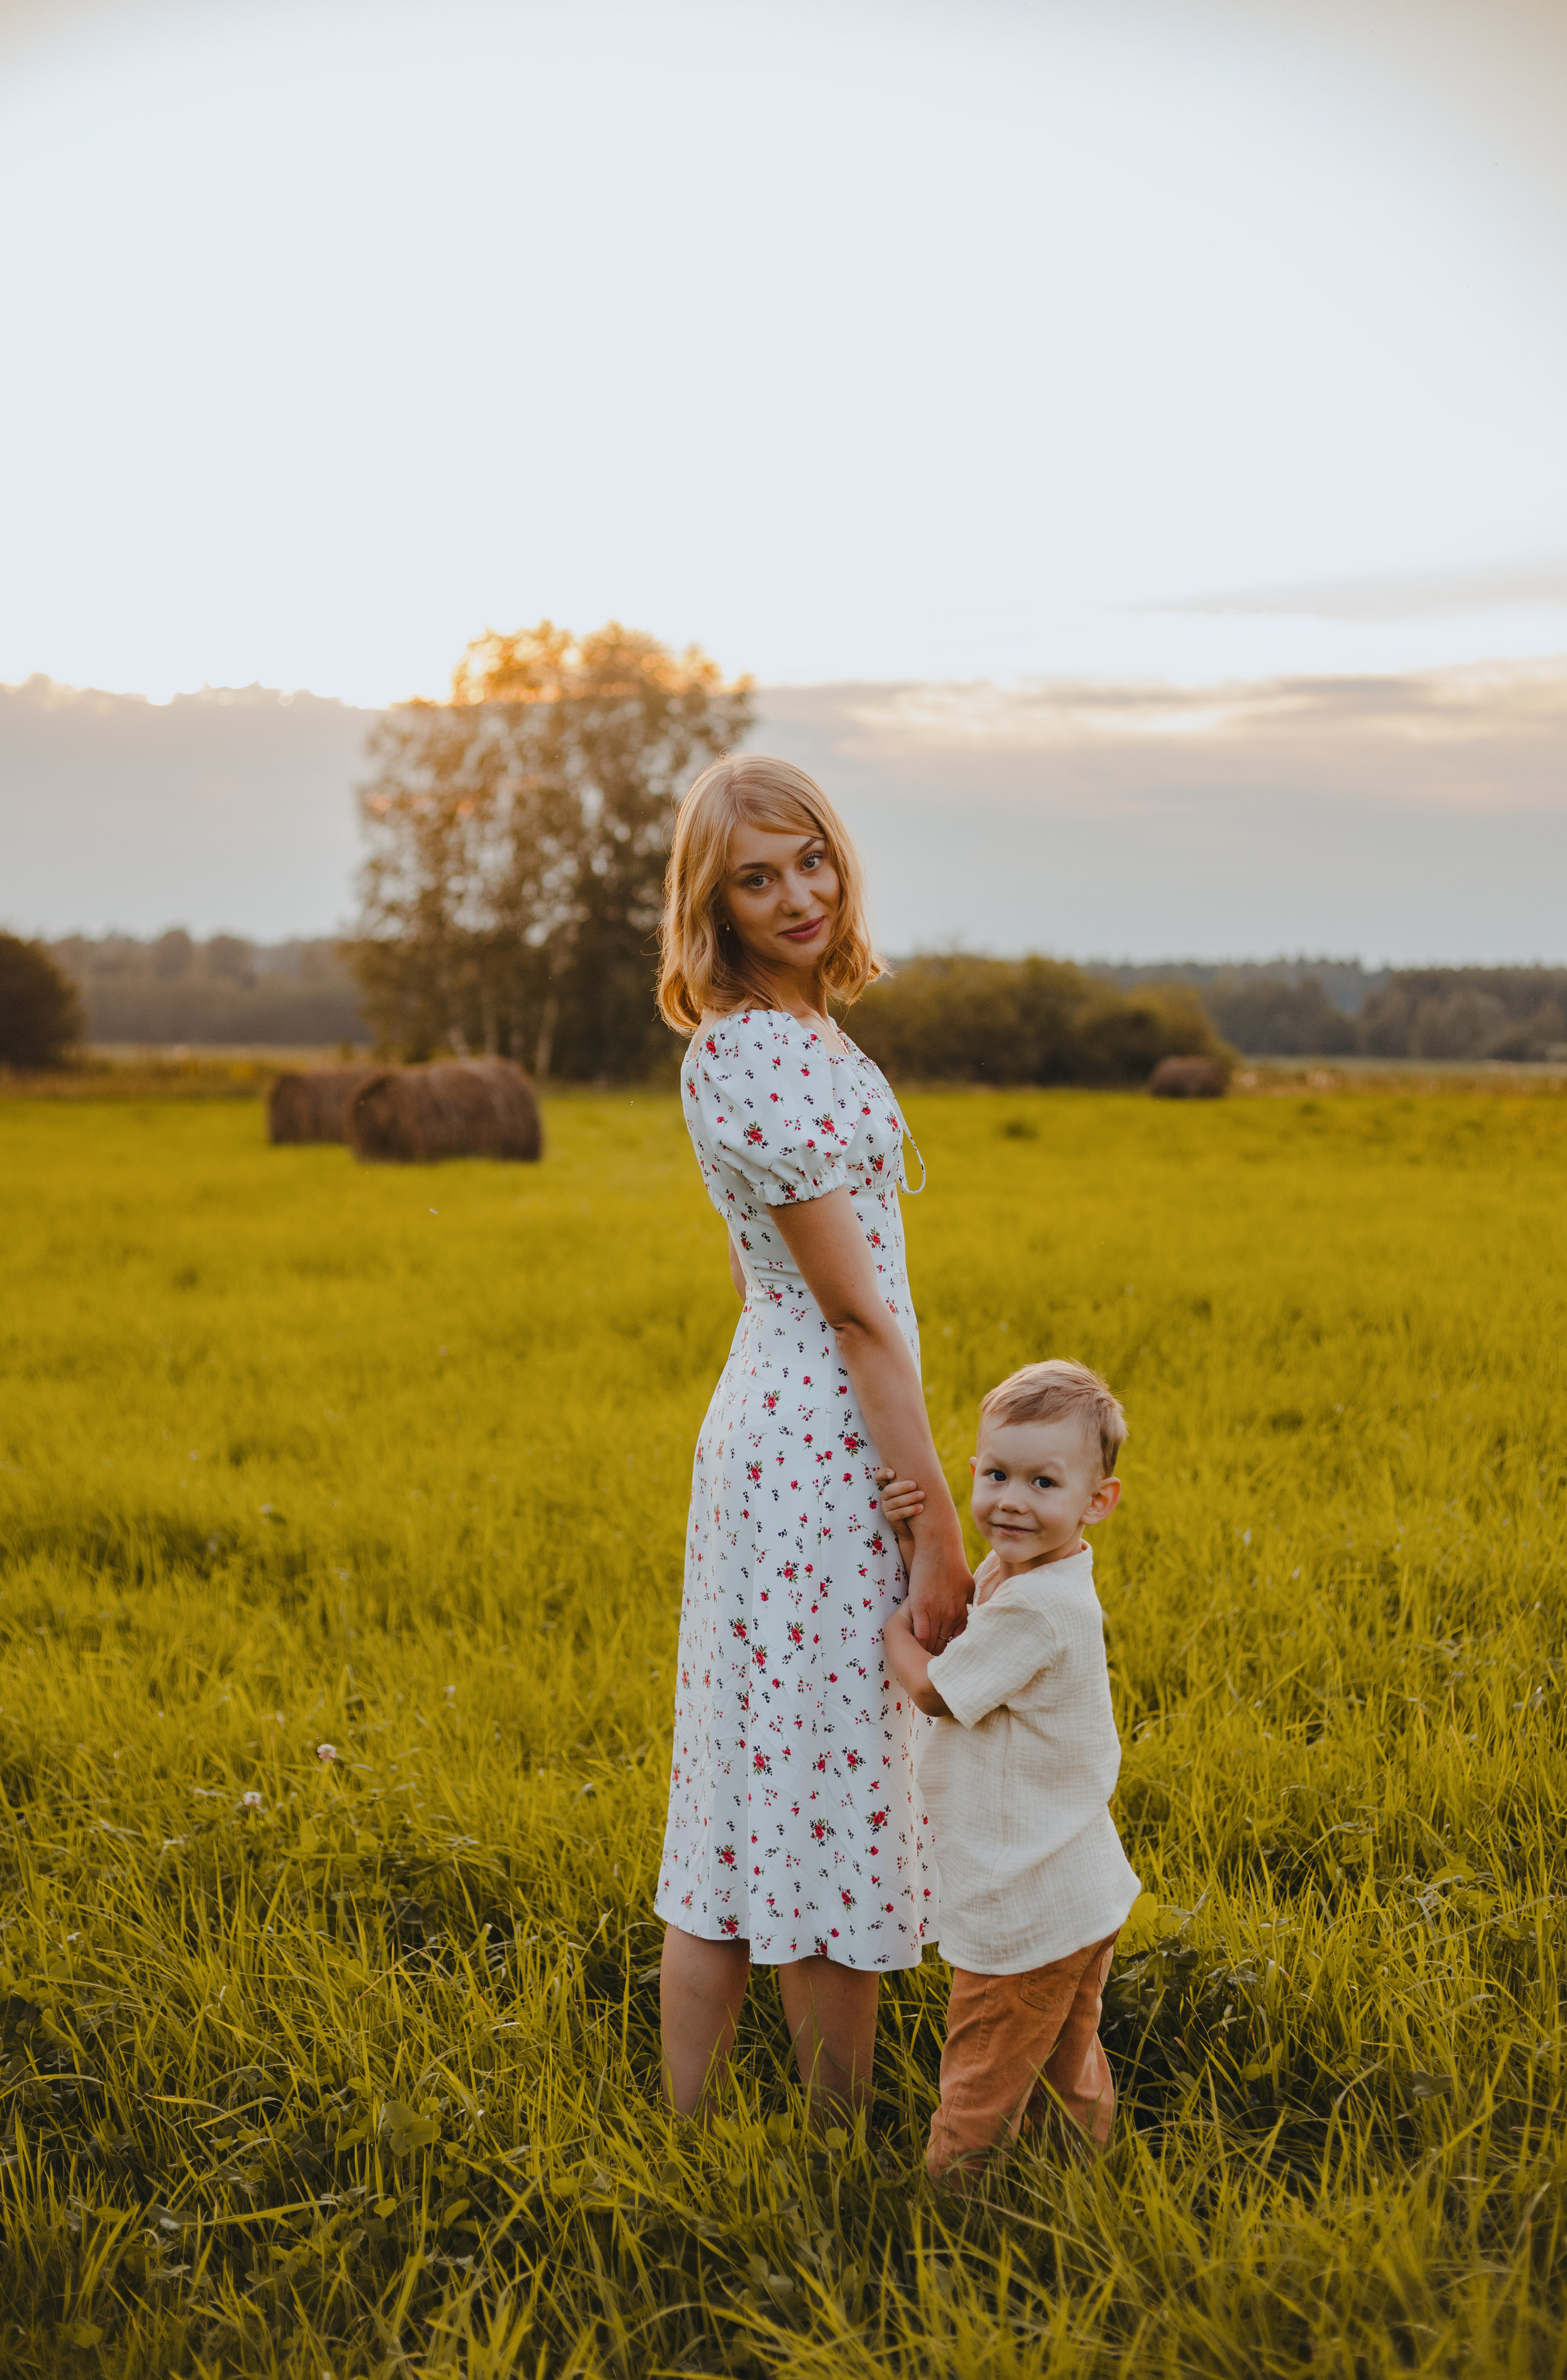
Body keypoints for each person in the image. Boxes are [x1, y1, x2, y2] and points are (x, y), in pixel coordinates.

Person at [652, 753, 975, 2120]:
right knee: (831, 1782)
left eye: (812, 862)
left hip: (770, 1428)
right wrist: (936, 1527)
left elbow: (757, 1274)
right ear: (710, 905)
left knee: (743, 1774)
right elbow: (857, 1320)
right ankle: (830, 2156)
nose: (797, 895)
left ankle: (695, 2135)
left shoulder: (775, 1042)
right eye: (755, 877)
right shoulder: (764, 1049)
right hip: (818, 1448)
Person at [878, 1360, 1141, 2187]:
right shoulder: (1030, 1571)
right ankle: (1081, 2179)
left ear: (1098, 1501)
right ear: (973, 1472)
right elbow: (966, 1598)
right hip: (1076, 1889)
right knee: (1067, 2064)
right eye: (996, 1475)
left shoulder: (1038, 1607)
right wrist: (917, 1538)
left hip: (1020, 1908)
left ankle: (952, 2221)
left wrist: (889, 1630)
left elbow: (934, 1690)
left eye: (1043, 1482)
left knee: (980, 2087)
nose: (1012, 1501)